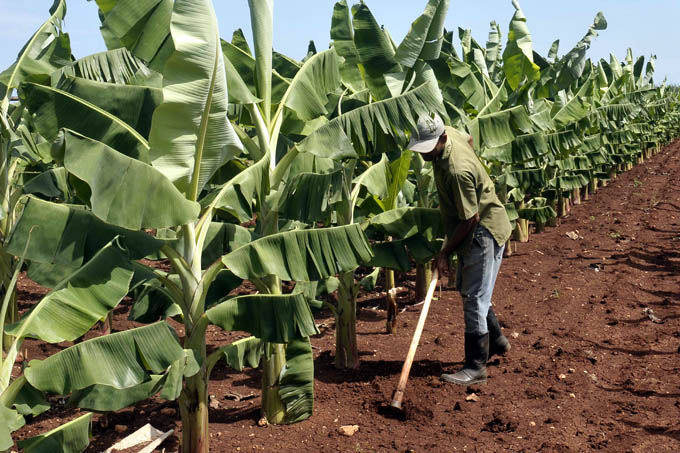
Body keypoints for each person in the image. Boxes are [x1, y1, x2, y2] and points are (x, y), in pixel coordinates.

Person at [408, 113, 513, 386]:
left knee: (475, 297)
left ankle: (476, 366)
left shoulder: (456, 170)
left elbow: (471, 219)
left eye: (428, 148)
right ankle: (498, 341)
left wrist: (444, 252)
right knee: (474, 290)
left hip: (483, 231)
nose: (423, 154)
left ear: (442, 139)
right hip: (477, 226)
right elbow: (468, 138)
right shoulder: (449, 135)